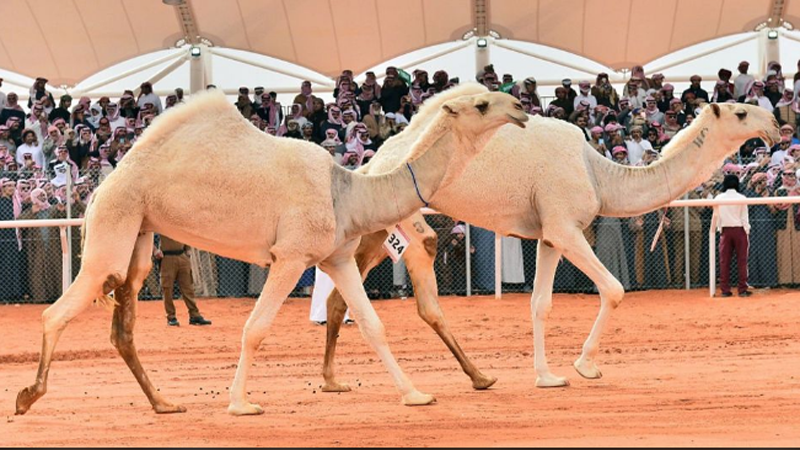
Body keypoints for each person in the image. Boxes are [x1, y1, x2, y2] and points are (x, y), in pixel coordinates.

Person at [154, 234, 212, 326]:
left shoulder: (179, 224)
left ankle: (194, 315)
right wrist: (155, 250)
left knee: (188, 288)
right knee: (167, 289)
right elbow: (147, 235)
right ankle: (171, 317)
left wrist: (188, 250)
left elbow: (186, 236)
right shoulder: (161, 224)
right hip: (167, 257)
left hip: (182, 255)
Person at [713, 174, 751, 297]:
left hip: (725, 230)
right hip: (739, 230)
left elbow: (716, 216)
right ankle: (742, 289)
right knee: (742, 260)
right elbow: (744, 217)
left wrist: (720, 229)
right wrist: (746, 230)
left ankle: (725, 289)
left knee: (724, 261)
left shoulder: (719, 197)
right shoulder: (742, 197)